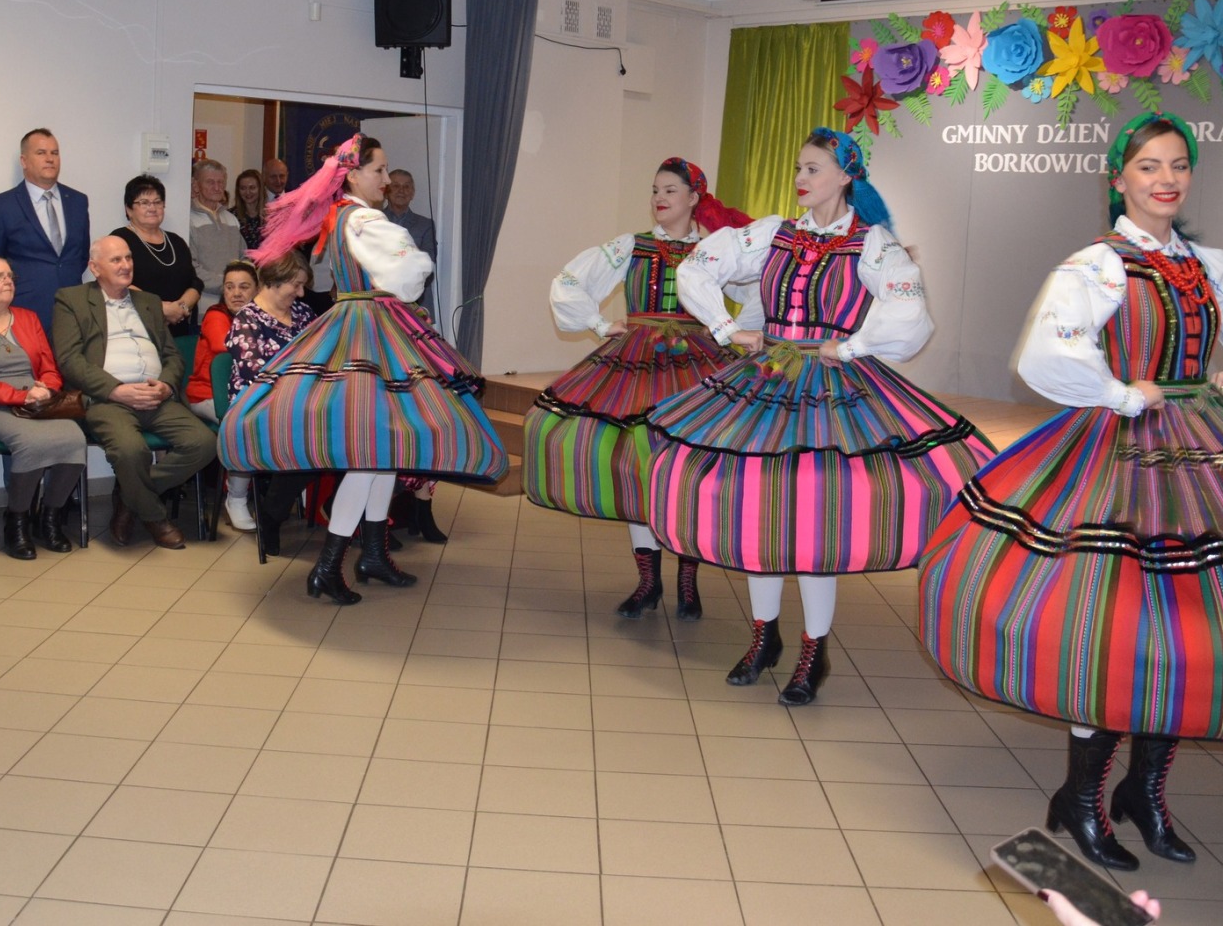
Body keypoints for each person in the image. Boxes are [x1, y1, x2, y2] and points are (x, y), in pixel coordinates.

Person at [918, 113, 1223, 874]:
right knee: (1113, 622)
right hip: (1119, 449)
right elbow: (1048, 352)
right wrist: (1122, 393)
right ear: (1119, 179)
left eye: (1178, 165)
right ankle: (1081, 797)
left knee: (1185, 623)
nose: (1166, 179)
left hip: (1202, 445)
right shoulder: (1099, 264)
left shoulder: (1208, 265)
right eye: (1149, 165)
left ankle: (1144, 790)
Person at [651, 129, 992, 704]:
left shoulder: (872, 243)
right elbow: (696, 268)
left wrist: (853, 346)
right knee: (760, 512)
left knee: (812, 523)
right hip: (769, 381)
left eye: (813, 169)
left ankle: (814, 648)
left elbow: (910, 311)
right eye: (798, 168)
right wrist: (728, 328)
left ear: (845, 175)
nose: (800, 179)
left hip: (832, 389)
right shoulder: (772, 233)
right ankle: (764, 637)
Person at [218, 134, 507, 603]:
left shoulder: (342, 216)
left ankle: (372, 553)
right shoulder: (365, 219)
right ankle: (329, 566)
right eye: (379, 170)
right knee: (370, 454)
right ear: (352, 174)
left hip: (364, 323)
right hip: (370, 329)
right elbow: (410, 276)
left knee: (382, 451)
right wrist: (416, 264)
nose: (386, 179)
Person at [526, 158, 750, 620]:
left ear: (694, 198)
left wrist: (732, 332)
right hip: (639, 362)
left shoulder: (715, 250)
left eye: (670, 190)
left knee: (687, 467)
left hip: (696, 365)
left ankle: (687, 580)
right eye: (654, 190)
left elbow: (758, 292)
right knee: (636, 465)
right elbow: (569, 280)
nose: (659, 198)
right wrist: (598, 323)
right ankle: (648, 580)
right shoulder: (632, 245)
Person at [52, 236, 216, 551]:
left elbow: (172, 356)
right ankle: (155, 516)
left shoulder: (148, 302)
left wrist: (166, 384)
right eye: (116, 260)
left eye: (128, 258)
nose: (126, 265)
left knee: (204, 443)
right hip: (108, 399)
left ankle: (130, 497)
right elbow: (69, 360)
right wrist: (116, 390)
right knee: (131, 451)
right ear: (95, 268)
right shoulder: (71, 299)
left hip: (156, 396)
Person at [0, 256, 89, 561]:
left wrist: (45, 389)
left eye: (10, 276)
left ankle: (49, 518)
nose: (8, 281)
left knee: (74, 438)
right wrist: (20, 396)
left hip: (37, 399)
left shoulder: (28, 318)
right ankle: (17, 520)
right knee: (31, 442)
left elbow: (49, 366)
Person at [221, 251, 315, 557]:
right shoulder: (246, 319)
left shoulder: (302, 312)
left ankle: (339, 509)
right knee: (307, 437)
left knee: (340, 430)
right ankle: (272, 514)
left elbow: (322, 353)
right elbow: (257, 375)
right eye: (296, 285)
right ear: (275, 281)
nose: (301, 293)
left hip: (299, 402)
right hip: (257, 406)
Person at [0, 129, 90, 326]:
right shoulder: (1, 206)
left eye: (54, 153)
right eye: (41, 153)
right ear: (24, 161)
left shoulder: (78, 201)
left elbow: (81, 255)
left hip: (74, 309)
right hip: (25, 310)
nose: (50, 159)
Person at [190, 260, 258, 531]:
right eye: (229, 287)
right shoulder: (216, 315)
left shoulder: (260, 317)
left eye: (244, 287)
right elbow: (227, 348)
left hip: (245, 396)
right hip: (207, 395)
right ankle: (236, 499)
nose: (236, 293)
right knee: (243, 426)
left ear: (257, 290)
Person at [113, 175, 202, 337]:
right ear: (129, 209)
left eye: (157, 202)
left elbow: (194, 283)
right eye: (144, 203)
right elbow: (116, 283)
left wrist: (179, 309)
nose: (152, 208)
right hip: (137, 330)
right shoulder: (119, 240)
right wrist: (161, 309)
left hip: (179, 330)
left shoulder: (176, 241)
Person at [189, 158, 246, 310]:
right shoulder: (188, 220)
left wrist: (240, 285)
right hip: (203, 305)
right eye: (210, 182)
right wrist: (229, 285)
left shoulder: (232, 219)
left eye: (221, 182)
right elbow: (191, 268)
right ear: (196, 185)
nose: (217, 187)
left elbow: (245, 257)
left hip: (235, 305)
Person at [383, 168, 437, 318]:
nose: (401, 190)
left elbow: (428, 261)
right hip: (381, 301)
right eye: (396, 186)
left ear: (412, 193)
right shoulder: (374, 220)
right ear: (386, 191)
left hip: (416, 302)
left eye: (407, 186)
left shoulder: (425, 225)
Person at [232, 169, 266, 251]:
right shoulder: (231, 216)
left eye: (252, 188)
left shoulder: (272, 216)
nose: (247, 192)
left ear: (260, 189)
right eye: (243, 188)